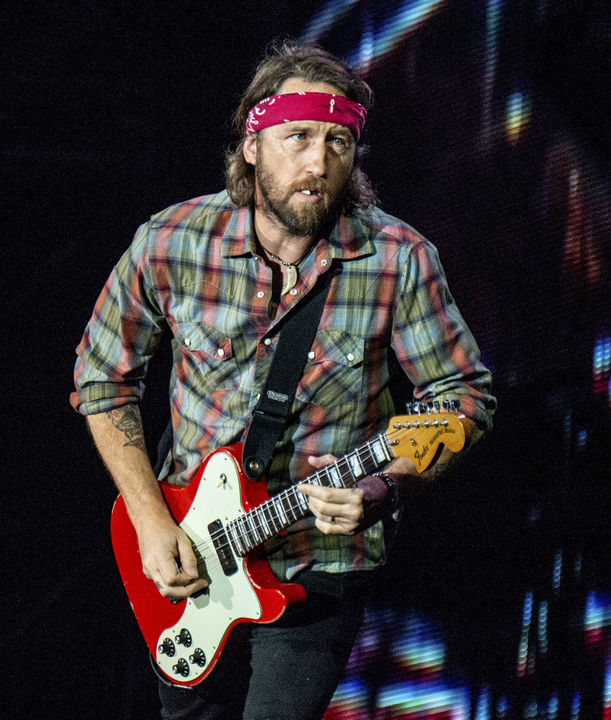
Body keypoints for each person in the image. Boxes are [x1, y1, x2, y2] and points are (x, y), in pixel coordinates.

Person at [71, 41, 496, 720]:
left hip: (316, 564)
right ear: (252, 146)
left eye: (337, 142)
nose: (318, 162)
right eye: (297, 137)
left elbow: (463, 399)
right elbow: (101, 379)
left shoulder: (398, 261)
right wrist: (152, 523)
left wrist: (385, 486)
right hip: (190, 555)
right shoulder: (171, 242)